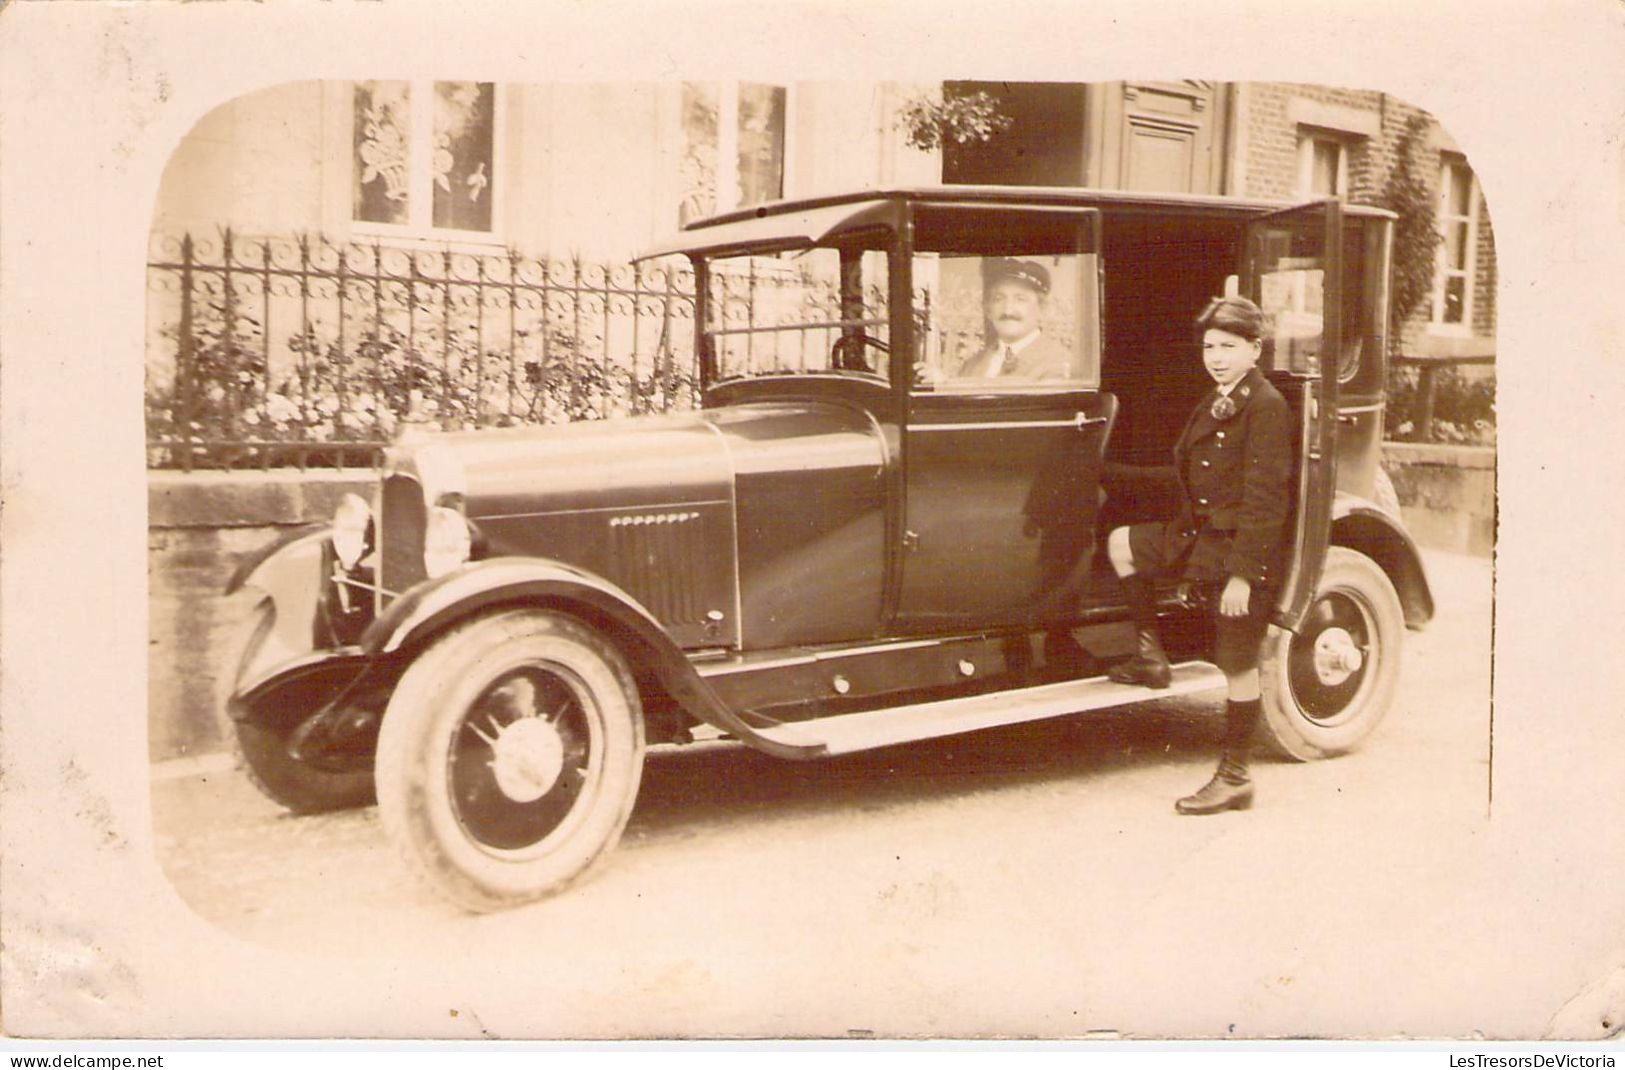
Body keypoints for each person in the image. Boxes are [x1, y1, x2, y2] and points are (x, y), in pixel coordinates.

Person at [1103, 295, 1292, 815]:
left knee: (1236, 663)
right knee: (1123, 544)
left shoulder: (1267, 405)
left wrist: (1242, 578)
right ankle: (1150, 656)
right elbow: (1187, 475)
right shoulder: (1218, 397)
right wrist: (1107, 474)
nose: (1216, 356)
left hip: (1236, 550)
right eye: (1210, 346)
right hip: (1198, 536)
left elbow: (1265, 500)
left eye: (1229, 347)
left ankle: (1235, 776)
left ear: (1255, 349)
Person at [954, 258, 1074, 380]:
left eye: (1020, 299)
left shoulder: (1059, 364)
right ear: (988, 310)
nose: (1008, 310)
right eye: (999, 298)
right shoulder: (971, 366)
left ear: (1042, 308)